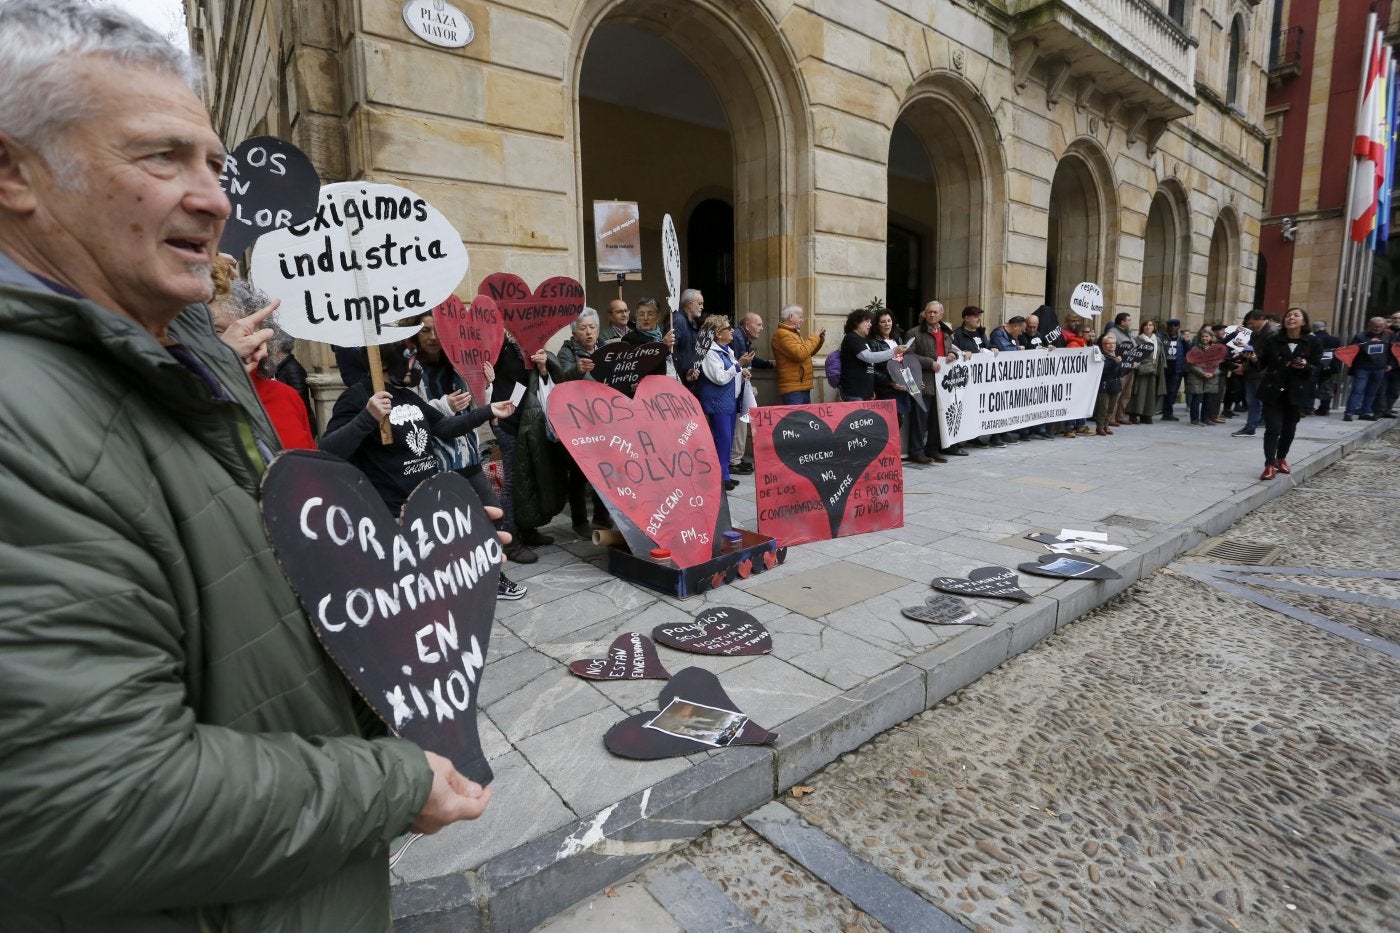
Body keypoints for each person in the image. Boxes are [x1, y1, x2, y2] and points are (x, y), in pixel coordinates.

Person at [0, 2, 495, 928]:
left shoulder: (182, 349)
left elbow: (250, 571)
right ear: (13, 170)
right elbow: (86, 803)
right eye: (161, 157)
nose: (217, 199)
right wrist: (389, 781)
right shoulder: (22, 424)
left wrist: (403, 573)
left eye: (216, 166)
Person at [408, 314, 526, 600]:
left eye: (438, 331)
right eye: (425, 331)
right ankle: (455, 582)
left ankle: (493, 577)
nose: (433, 337)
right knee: (447, 527)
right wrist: (443, 405)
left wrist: (485, 385)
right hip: (436, 463)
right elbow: (411, 412)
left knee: (489, 515)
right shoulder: (412, 370)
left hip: (469, 455)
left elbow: (479, 406)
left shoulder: (459, 364)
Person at [210, 277, 316, 451]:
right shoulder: (188, 399)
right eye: (218, 331)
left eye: (243, 329)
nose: (235, 339)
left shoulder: (286, 397)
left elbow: (310, 466)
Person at [556, 309, 612, 535]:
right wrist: (576, 371)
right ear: (574, 331)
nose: (589, 332)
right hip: (578, 421)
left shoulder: (606, 348)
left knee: (604, 471)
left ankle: (601, 516)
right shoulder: (567, 351)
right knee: (579, 473)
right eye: (583, 328)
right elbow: (560, 379)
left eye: (592, 327)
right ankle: (579, 521)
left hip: (604, 419)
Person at [1255, 307, 1320, 480]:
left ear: (1304, 321)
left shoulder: (1313, 342)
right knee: (1273, 428)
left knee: (1289, 429)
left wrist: (1305, 366)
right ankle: (1269, 464)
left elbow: (1317, 367)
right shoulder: (1274, 340)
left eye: (1296, 315)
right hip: (1273, 389)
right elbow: (1262, 363)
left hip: (1297, 391)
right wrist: (1252, 358)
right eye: (1288, 315)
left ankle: (1281, 458)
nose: (1291, 318)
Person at [908, 300, 967, 459]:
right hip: (923, 381)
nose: (932, 315)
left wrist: (953, 355)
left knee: (937, 418)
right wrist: (929, 363)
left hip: (943, 382)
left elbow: (952, 350)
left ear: (941, 315)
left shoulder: (946, 333)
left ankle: (932, 449)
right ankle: (917, 452)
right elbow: (908, 356)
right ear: (924, 314)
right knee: (920, 419)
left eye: (935, 312)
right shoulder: (914, 333)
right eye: (929, 312)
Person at [697, 315, 750, 491]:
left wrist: (742, 372)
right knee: (722, 438)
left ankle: (725, 473)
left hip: (729, 401)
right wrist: (738, 366)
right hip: (717, 401)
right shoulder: (710, 353)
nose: (732, 330)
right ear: (718, 334)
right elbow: (719, 378)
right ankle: (720, 476)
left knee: (727, 439)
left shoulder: (727, 350)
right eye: (728, 328)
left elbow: (731, 373)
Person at [951, 307, 1003, 447]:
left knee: (981, 407)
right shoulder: (957, 334)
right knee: (966, 408)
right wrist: (963, 353)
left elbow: (984, 347)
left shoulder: (981, 333)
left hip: (982, 379)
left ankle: (976, 435)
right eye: (975, 316)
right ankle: (960, 438)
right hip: (966, 379)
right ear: (966, 318)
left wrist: (992, 347)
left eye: (979, 315)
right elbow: (953, 350)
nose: (979, 318)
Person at [728, 312, 772, 474]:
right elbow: (739, 365)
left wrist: (767, 365)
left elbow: (749, 362)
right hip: (735, 391)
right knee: (738, 425)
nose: (761, 328)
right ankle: (734, 461)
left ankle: (736, 459)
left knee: (740, 424)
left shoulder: (742, 338)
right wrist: (747, 383)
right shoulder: (738, 338)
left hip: (740, 389)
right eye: (758, 324)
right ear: (747, 325)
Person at [1228, 309, 1276, 436]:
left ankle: (1265, 427)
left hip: (1262, 373)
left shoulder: (1271, 333)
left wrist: (1248, 362)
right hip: (1253, 371)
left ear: (1260, 318)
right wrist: (1244, 365)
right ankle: (1251, 427)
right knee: (1252, 401)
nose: (1249, 326)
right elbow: (1252, 352)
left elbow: (1265, 357)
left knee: (1259, 401)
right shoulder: (1256, 332)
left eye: (1251, 323)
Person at [771, 303, 826, 404]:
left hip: (800, 386)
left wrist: (819, 341)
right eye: (800, 317)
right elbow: (800, 354)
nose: (802, 320)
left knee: (804, 419)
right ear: (791, 316)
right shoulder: (782, 334)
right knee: (797, 419)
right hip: (793, 389)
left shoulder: (792, 334)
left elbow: (806, 353)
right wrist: (814, 337)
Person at [1343, 316, 1394, 421]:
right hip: (1363, 367)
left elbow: (1392, 350)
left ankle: (1365, 412)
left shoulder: (1388, 335)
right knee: (1358, 390)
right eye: (1375, 326)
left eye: (1380, 326)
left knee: (1372, 391)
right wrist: (1368, 343)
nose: (1378, 329)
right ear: (1369, 325)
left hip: (1380, 368)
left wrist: (1391, 364)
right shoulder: (1360, 336)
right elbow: (1352, 349)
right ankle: (1349, 412)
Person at [837, 308, 894, 402]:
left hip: (864, 393)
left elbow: (868, 367)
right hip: (854, 393)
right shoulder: (852, 338)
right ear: (857, 323)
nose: (870, 325)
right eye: (867, 321)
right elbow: (869, 357)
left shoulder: (862, 340)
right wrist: (893, 352)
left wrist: (870, 390)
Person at [870, 310, 910, 430]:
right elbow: (871, 369)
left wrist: (911, 381)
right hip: (885, 389)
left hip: (900, 388)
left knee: (899, 421)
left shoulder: (897, 340)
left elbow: (903, 363)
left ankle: (893, 449)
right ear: (877, 324)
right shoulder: (873, 342)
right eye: (883, 322)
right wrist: (890, 382)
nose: (887, 324)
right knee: (887, 424)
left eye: (889, 321)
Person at [1127, 319, 1163, 424]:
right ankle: (1134, 414)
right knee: (1139, 392)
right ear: (1142, 327)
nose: (1148, 327)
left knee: (1150, 394)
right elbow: (1134, 354)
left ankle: (1146, 415)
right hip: (1141, 369)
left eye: (1151, 325)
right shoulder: (1137, 339)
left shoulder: (1158, 340)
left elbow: (1160, 356)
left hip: (1153, 369)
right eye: (1146, 325)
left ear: (1154, 327)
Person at [1103, 312, 1135, 426]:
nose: (1131, 322)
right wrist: (1116, 361)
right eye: (1129, 320)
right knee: (1116, 394)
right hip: (1119, 368)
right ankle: (1110, 418)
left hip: (1129, 367)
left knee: (1126, 394)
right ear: (1122, 322)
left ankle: (1120, 416)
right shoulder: (1112, 333)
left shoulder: (1129, 333)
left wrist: (1135, 360)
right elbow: (1108, 349)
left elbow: (1133, 347)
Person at [1185, 327, 1222, 426]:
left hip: (1211, 377)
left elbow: (1220, 364)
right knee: (1196, 399)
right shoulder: (1195, 348)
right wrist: (1203, 373)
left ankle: (1205, 418)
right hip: (1197, 377)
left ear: (1211, 337)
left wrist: (1213, 373)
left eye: (1207, 336)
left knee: (1208, 399)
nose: (1204, 338)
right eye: (1202, 336)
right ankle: (1195, 420)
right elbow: (1191, 364)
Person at [672, 288, 704, 389]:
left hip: (688, 378)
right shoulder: (678, 320)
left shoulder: (691, 323)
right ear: (689, 304)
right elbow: (671, 351)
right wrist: (683, 372)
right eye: (699, 303)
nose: (702, 307)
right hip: (679, 381)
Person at [1309, 320, 1342, 415]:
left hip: (1314, 365)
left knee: (1311, 385)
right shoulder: (1335, 339)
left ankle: (1308, 407)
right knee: (1326, 387)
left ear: (1314, 328)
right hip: (1329, 366)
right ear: (1325, 328)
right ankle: (1324, 408)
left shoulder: (1312, 338)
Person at [1159, 318, 1190, 421]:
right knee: (1162, 391)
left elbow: (1189, 352)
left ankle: (1168, 413)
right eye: (1171, 326)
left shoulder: (1181, 339)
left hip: (1176, 369)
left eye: (1175, 326)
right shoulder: (1161, 337)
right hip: (1164, 368)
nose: (1173, 328)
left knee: (1172, 392)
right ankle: (1163, 411)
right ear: (1167, 327)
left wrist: (1186, 341)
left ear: (1178, 327)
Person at [1094, 333, 1123, 435]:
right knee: (1103, 407)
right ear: (1103, 345)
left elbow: (1121, 371)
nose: (1111, 345)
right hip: (1105, 384)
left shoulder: (1116, 354)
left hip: (1115, 384)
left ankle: (1106, 425)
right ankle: (1100, 427)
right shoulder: (1100, 354)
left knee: (1111, 407)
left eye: (1113, 343)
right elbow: (1102, 369)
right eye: (1108, 343)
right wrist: (1114, 362)